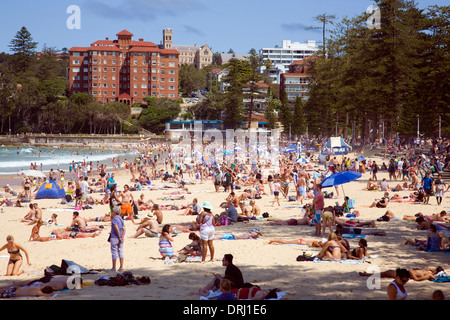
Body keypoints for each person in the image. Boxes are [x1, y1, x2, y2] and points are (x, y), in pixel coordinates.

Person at [359, 266, 445, 282]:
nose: (433, 269)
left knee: (386, 273)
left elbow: (417, 279)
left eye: (435, 269)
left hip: (406, 275)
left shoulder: (429, 275)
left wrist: (411, 271)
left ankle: (367, 275)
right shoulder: (429, 271)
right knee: (387, 272)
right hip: (406, 272)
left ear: (436, 272)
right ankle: (368, 274)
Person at [110, 206, 125, 272]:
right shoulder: (121, 219)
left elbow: (116, 228)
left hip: (115, 237)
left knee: (114, 252)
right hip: (121, 237)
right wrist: (122, 237)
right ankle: (121, 266)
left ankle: (114, 267)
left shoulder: (114, 219)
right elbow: (124, 229)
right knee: (120, 251)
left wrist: (119, 236)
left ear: (114, 212)